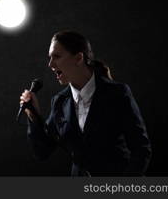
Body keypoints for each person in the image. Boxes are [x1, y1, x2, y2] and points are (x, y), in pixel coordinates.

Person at [20, 30, 151, 176]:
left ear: (78, 58)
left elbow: (141, 148)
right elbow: (42, 152)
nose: (50, 64)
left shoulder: (117, 93)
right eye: (49, 58)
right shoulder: (59, 102)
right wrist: (33, 115)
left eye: (56, 56)